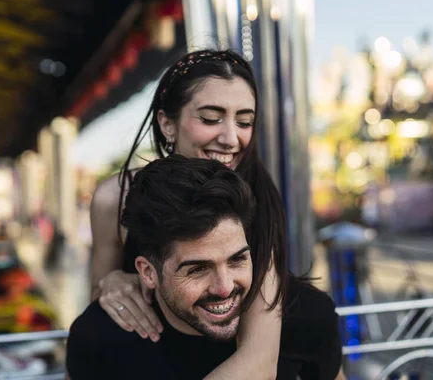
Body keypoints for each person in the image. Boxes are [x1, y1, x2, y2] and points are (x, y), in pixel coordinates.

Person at [89, 49, 289, 377]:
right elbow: (97, 305)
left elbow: (259, 361)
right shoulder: (114, 197)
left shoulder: (257, 201)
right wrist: (111, 282)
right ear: (167, 123)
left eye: (244, 121)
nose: (230, 138)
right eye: (210, 118)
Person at [67, 156, 344, 379]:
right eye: (197, 269)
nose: (224, 287)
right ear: (148, 272)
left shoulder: (306, 316)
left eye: (237, 259)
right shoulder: (99, 338)